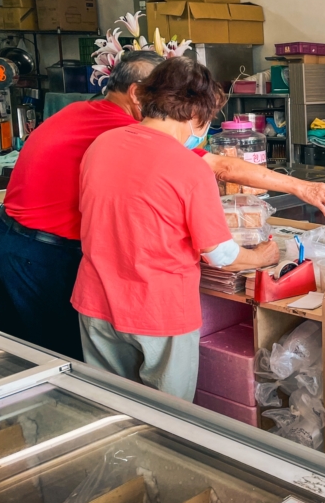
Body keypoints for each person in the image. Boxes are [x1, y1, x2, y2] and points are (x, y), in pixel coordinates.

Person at [0, 51, 325, 360]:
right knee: (56, 359)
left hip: (13, 240)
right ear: (138, 94)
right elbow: (218, 180)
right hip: (49, 257)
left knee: (27, 352)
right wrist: (302, 192)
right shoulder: (135, 138)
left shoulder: (96, 127)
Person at [72, 58, 279, 399]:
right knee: (169, 422)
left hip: (96, 303)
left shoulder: (100, 146)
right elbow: (221, 254)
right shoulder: (188, 168)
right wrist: (261, 255)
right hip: (159, 312)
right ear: (198, 115)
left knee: (111, 408)